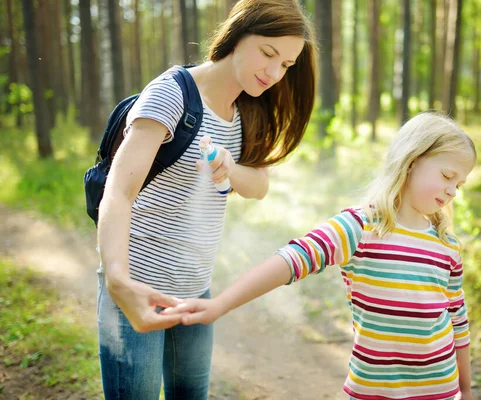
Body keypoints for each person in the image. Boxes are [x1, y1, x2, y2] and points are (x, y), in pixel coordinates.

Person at [164, 112, 477, 400]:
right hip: (371, 392)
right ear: (412, 161)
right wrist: (219, 304)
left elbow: (457, 321)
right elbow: (291, 260)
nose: (452, 190)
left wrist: (465, 391)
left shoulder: (445, 245)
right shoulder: (360, 227)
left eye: (459, 184)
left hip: (440, 391)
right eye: (447, 176)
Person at [96, 1, 316, 399]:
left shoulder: (248, 109)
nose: (273, 73)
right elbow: (119, 190)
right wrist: (118, 282)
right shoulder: (171, 95)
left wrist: (231, 169)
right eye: (268, 53)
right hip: (137, 285)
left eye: (286, 64)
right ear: (238, 33)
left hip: (196, 290)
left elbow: (259, 186)